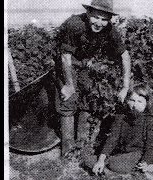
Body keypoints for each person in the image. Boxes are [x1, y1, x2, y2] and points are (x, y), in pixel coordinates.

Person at [53, 0, 131, 158]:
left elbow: (125, 56)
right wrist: (69, 85)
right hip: (65, 62)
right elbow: (65, 57)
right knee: (68, 99)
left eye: (104, 19)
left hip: (84, 63)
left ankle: (82, 146)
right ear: (88, 13)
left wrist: (125, 86)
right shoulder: (74, 24)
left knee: (89, 97)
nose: (100, 23)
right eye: (96, 17)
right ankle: (68, 151)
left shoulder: (110, 30)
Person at [83, 83, 153, 175]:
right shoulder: (120, 117)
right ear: (127, 101)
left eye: (140, 101)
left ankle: (108, 170)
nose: (135, 105)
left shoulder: (149, 121)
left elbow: (150, 146)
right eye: (132, 100)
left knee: (116, 164)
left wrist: (146, 162)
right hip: (120, 153)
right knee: (88, 160)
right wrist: (101, 159)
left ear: (146, 104)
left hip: (136, 154)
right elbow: (112, 140)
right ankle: (106, 169)